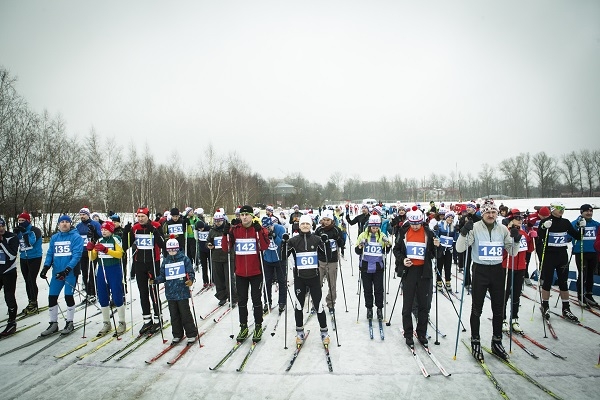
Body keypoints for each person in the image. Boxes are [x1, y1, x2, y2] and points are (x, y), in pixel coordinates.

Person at [456, 199, 520, 361]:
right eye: (487, 212)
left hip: (498, 271)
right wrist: (463, 233)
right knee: (477, 308)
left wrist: (516, 240)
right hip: (480, 270)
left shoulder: (503, 229)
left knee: (498, 308)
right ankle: (475, 340)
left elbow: (512, 252)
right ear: (482, 213)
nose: (491, 215)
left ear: (497, 213)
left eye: (493, 212)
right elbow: (460, 248)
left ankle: (497, 341)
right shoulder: (475, 228)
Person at [221, 205, 270, 342]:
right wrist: (226, 234)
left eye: (247, 215)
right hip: (241, 272)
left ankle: (258, 325)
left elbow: (265, 245)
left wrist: (261, 231)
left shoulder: (256, 229)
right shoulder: (235, 230)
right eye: (242, 215)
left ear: (251, 216)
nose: (244, 217)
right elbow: (226, 247)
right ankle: (243, 327)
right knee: (242, 301)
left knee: (256, 300)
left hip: (256, 272)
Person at [393, 206, 439, 346]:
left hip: (424, 272)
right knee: (407, 305)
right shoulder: (404, 232)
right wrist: (402, 260)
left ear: (422, 221)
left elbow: (433, 254)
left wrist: (437, 246)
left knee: (423, 306)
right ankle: (408, 334)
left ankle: (421, 333)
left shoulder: (428, 233)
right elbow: (396, 250)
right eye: (412, 223)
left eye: (417, 223)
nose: (415, 226)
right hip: (409, 272)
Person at [287, 214, 330, 345]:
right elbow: (283, 255)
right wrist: (284, 243)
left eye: (307, 224)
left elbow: (326, 255)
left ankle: (324, 332)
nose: (305, 226)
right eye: (303, 224)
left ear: (311, 226)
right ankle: (300, 332)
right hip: (300, 278)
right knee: (299, 305)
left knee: (318, 305)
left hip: (314, 278)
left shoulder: (316, 239)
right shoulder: (294, 240)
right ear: (299, 226)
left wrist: (325, 242)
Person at [537, 201, 583, 323]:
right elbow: (539, 236)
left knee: (563, 282)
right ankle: (545, 306)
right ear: (552, 209)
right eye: (559, 208)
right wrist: (543, 227)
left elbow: (577, 236)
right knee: (547, 281)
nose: (561, 210)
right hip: (549, 256)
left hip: (562, 255)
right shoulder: (546, 221)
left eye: (563, 208)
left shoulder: (565, 222)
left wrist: (581, 227)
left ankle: (566, 308)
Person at [39, 215, 84, 336]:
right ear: (59, 224)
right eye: (62, 222)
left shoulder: (76, 237)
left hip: (70, 273)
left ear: (70, 224)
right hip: (56, 273)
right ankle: (53, 323)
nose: (64, 224)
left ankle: (70, 322)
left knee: (68, 296)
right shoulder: (55, 237)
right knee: (52, 297)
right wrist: (46, 267)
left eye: (67, 222)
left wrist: (67, 269)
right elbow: (50, 253)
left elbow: (77, 255)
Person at [151, 235, 198, 345]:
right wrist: (155, 280)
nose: (172, 251)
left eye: (174, 249)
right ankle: (177, 334)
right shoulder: (166, 261)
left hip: (182, 292)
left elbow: (190, 272)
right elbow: (163, 276)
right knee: (174, 315)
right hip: (170, 293)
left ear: (178, 248)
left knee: (185, 313)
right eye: (170, 250)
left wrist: (190, 280)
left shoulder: (184, 259)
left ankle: (191, 333)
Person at [128, 207, 166, 334]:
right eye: (138, 216)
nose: (140, 219)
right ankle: (147, 320)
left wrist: (155, 232)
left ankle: (157, 319)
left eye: (142, 216)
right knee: (142, 292)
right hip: (139, 263)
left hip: (153, 262)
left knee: (153, 292)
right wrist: (126, 234)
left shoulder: (155, 225)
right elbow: (127, 244)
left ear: (148, 216)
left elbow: (162, 244)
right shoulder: (135, 228)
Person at [87, 220, 127, 336]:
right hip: (101, 270)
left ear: (111, 230)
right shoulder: (99, 240)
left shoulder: (116, 239)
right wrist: (90, 250)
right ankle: (106, 323)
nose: (103, 232)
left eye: (106, 230)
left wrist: (106, 250)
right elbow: (93, 258)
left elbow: (120, 254)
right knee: (103, 296)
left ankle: (121, 322)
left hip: (114, 269)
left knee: (117, 295)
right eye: (102, 230)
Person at [501, 209, 534, 333]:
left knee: (516, 294)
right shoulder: (506, 232)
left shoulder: (524, 233)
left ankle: (514, 318)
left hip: (520, 268)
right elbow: (502, 249)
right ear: (511, 220)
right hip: (507, 267)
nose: (520, 221)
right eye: (517, 219)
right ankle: (502, 318)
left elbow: (530, 250)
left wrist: (532, 236)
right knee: (505, 294)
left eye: (521, 219)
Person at [356, 213, 392, 321]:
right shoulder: (363, 235)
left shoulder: (382, 236)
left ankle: (379, 309)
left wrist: (388, 245)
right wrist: (360, 245)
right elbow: (357, 251)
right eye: (373, 227)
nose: (375, 229)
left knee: (378, 289)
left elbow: (387, 250)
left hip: (378, 267)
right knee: (367, 289)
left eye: (377, 227)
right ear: (369, 226)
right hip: (365, 266)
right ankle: (369, 308)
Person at [315, 209, 345, 315]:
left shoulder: (336, 230)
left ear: (331, 220)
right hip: (321, 261)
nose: (326, 222)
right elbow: (314, 244)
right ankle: (316, 302)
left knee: (332, 285)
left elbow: (342, 243)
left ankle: (331, 304)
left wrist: (337, 239)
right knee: (317, 284)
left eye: (328, 220)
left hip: (332, 261)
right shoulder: (318, 230)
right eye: (324, 220)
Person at [14, 212, 43, 315]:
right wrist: (15, 235)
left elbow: (30, 242)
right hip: (23, 257)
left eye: (23, 221)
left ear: (28, 221)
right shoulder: (20, 230)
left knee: (31, 279)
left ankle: (34, 303)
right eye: (19, 221)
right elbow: (16, 244)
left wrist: (24, 233)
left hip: (35, 257)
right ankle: (30, 301)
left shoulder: (35, 230)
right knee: (27, 280)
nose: (21, 223)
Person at [207, 212, 238, 307]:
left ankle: (233, 298)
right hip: (216, 257)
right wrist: (209, 245)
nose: (218, 223)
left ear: (223, 220)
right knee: (218, 279)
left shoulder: (228, 229)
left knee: (229, 278)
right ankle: (222, 297)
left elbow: (234, 240)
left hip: (228, 257)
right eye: (216, 221)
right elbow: (208, 241)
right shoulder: (212, 231)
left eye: (220, 220)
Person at [570, 204, 599, 308]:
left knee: (591, 274)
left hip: (593, 252)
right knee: (583, 274)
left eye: (591, 211)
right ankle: (580, 295)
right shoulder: (575, 223)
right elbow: (569, 236)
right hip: (581, 252)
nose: (589, 213)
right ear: (581, 212)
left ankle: (589, 294)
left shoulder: (596, 224)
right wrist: (577, 227)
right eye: (586, 211)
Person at [260, 216, 287, 313]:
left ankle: (282, 302)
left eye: (268, 227)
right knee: (267, 281)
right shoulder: (262, 231)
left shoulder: (280, 228)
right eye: (265, 228)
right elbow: (261, 245)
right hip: (267, 259)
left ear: (272, 225)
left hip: (279, 259)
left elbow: (283, 244)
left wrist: (275, 236)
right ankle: (267, 301)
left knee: (281, 280)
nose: (267, 230)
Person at [76, 207, 102, 304]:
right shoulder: (78, 226)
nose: (82, 216)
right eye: (81, 215)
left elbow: (100, 235)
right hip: (82, 252)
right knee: (84, 273)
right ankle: (88, 292)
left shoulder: (95, 224)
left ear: (88, 214)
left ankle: (94, 293)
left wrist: (94, 232)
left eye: (84, 214)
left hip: (92, 251)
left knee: (91, 272)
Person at [0, 218, 20, 336]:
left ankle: (12, 323)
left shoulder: (12, 237)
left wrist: (2, 242)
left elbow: (12, 256)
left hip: (9, 271)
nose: (1, 228)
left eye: (2, 226)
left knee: (9, 296)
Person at [435, 211, 458, 290]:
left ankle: (448, 281)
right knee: (439, 265)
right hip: (440, 249)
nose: (450, 219)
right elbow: (436, 236)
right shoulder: (440, 225)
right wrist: (436, 231)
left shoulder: (453, 227)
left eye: (452, 218)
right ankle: (439, 281)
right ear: (445, 218)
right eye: (448, 217)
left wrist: (457, 232)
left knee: (448, 266)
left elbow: (455, 238)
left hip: (449, 249)